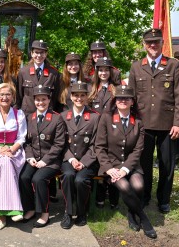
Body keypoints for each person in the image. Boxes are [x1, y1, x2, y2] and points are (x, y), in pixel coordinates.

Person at [128, 28, 179, 213]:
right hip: (143, 125)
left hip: (168, 125)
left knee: (166, 165)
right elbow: (131, 97)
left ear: (162, 43)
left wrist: (178, 123)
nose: (152, 45)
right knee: (144, 165)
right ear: (144, 45)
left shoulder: (174, 65)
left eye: (156, 42)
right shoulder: (136, 66)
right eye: (149, 42)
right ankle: (144, 196)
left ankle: (163, 200)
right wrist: (131, 122)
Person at [95, 85, 157, 239]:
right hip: (112, 165)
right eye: (119, 98)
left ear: (132, 102)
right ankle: (143, 218)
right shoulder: (106, 118)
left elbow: (138, 150)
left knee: (138, 185)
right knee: (124, 185)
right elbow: (100, 147)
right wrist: (109, 168)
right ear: (115, 101)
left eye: (126, 98)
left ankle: (131, 213)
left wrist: (126, 169)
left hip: (131, 164)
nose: (123, 100)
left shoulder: (138, 122)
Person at [19, 85, 66, 228]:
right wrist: (29, 157)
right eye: (38, 100)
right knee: (24, 177)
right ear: (34, 101)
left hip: (51, 161)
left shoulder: (57, 118)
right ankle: (30, 209)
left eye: (43, 99)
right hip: (34, 158)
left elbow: (59, 144)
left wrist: (45, 161)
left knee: (38, 179)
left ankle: (44, 213)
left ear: (49, 100)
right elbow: (27, 142)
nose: (41, 102)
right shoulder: (30, 118)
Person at [0, 83, 27, 229]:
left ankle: (1, 213)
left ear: (13, 97)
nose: (5, 97)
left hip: (14, 151)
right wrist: (0, 150)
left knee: (6, 161)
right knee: (4, 162)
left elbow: (21, 137)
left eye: (8, 94)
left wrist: (12, 149)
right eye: (1, 94)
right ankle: (10, 211)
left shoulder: (19, 114)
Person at [60, 81, 100, 229]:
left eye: (82, 95)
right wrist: (71, 159)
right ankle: (68, 213)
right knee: (69, 176)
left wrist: (83, 162)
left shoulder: (95, 117)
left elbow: (96, 144)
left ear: (87, 97)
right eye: (76, 95)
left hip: (87, 160)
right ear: (71, 97)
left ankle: (82, 212)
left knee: (80, 180)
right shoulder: (63, 116)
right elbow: (61, 143)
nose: (79, 98)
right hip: (68, 159)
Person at [88, 57, 121, 208]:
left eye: (106, 70)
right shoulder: (91, 89)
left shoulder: (116, 89)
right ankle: (99, 196)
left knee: (112, 161)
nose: (103, 73)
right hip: (94, 132)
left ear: (110, 72)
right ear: (96, 72)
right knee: (99, 163)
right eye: (100, 70)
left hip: (112, 132)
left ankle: (114, 198)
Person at [16, 40, 60, 115]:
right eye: (36, 52)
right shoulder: (23, 72)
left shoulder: (53, 73)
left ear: (46, 54)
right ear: (32, 54)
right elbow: (18, 96)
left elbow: (55, 97)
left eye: (42, 52)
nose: (39, 55)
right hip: (27, 115)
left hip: (47, 115)